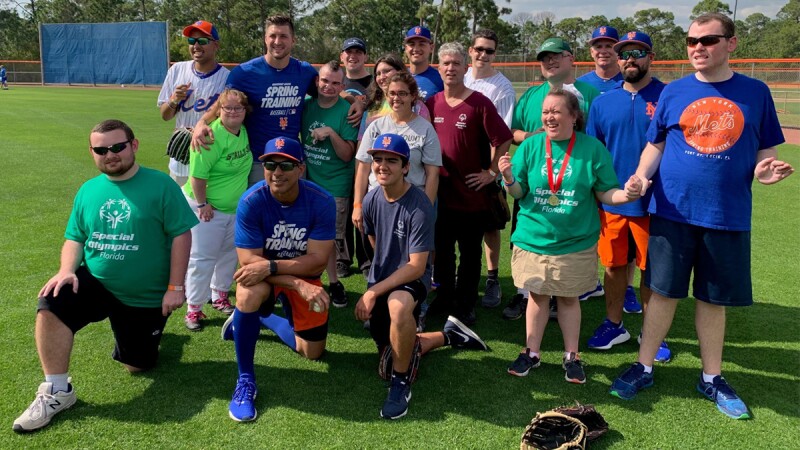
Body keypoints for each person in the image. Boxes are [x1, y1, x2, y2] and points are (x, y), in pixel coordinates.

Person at [609, 13, 793, 420]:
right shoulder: (674, 92)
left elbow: (766, 155)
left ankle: (711, 377)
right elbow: (655, 146)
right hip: (671, 212)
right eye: (692, 40)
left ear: (732, 43)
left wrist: (765, 172)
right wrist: (640, 176)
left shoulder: (756, 92)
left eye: (708, 40)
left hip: (726, 215)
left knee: (712, 300)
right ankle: (643, 366)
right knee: (661, 293)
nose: (698, 47)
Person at [12, 120, 197, 433]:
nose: (110, 154)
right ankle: (57, 391)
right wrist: (67, 270)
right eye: (101, 150)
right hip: (96, 282)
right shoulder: (89, 190)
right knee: (52, 300)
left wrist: (175, 287)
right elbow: (75, 237)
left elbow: (182, 235)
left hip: (143, 295)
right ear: (92, 152)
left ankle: (145, 337)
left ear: (133, 145)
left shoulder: (160, 185)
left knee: (137, 366)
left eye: (117, 147)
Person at [501, 90, 641, 383]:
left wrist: (626, 195)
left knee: (567, 299)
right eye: (546, 112)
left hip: (574, 241)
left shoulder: (592, 149)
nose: (549, 117)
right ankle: (531, 353)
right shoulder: (531, 146)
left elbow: (605, 192)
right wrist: (509, 179)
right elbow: (520, 193)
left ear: (574, 116)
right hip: (533, 238)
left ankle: (572, 356)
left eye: (556, 111)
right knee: (537, 297)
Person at [356, 133, 488, 420]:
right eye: (377, 159)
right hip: (382, 280)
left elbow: (417, 267)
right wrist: (379, 277)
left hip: (411, 280)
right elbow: (371, 235)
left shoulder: (419, 206)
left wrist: (373, 291)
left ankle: (401, 383)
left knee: (399, 308)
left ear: (406, 167)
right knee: (393, 348)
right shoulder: (371, 199)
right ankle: (449, 335)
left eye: (392, 161)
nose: (382, 166)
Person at [225, 137, 336, 422]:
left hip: (294, 273)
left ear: (300, 168)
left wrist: (277, 269)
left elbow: (318, 260)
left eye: (286, 165)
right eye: (270, 164)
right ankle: (245, 381)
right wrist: (295, 283)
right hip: (272, 277)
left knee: (312, 353)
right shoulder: (251, 200)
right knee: (247, 293)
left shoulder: (322, 201)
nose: (277, 172)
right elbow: (249, 262)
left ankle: (262, 320)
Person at [191, 14, 363, 187]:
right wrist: (202, 122)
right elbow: (224, 102)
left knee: (293, 212)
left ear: (293, 40)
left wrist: (352, 99)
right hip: (258, 161)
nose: (277, 41)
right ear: (265, 39)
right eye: (273, 36)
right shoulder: (245, 72)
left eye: (283, 36)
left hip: (293, 159)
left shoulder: (304, 71)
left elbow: (327, 90)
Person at [584, 31, 671, 361]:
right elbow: (595, 152)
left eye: (638, 52)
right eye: (624, 53)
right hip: (613, 200)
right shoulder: (604, 103)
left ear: (651, 56)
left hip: (656, 203)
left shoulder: (667, 95)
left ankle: (653, 332)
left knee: (653, 272)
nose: (630, 59)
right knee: (614, 266)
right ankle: (614, 323)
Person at [506, 37, 601, 321]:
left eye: (556, 55)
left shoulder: (591, 94)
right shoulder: (533, 94)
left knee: (569, 238)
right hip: (534, 179)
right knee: (528, 237)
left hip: (572, 181)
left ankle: (564, 296)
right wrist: (531, 138)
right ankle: (527, 295)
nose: (549, 61)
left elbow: (597, 135)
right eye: (544, 57)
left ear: (571, 58)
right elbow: (513, 132)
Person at [427, 42, 512, 325]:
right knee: (443, 251)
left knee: (470, 253)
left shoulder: (479, 102)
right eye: (445, 63)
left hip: (472, 196)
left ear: (466, 67)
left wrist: (491, 172)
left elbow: (504, 139)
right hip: (440, 193)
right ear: (439, 68)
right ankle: (444, 297)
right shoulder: (433, 102)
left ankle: (465, 304)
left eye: (456, 63)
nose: (451, 68)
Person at [354, 53, 431, 279]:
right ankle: (382, 285)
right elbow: (363, 164)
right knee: (383, 251)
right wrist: (358, 203)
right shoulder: (373, 116)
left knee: (413, 254)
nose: (382, 77)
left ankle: (414, 293)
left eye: (387, 71)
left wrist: (427, 204)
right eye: (377, 73)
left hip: (411, 198)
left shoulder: (421, 117)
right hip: (377, 196)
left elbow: (431, 170)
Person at [183, 88, 252, 331]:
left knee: (228, 254)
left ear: (245, 111)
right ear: (219, 111)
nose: (233, 112)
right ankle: (193, 308)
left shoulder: (242, 131)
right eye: (227, 108)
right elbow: (197, 176)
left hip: (233, 209)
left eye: (238, 108)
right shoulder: (210, 136)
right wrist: (203, 204)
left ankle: (219, 295)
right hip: (206, 207)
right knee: (202, 258)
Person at [464, 29, 516, 309]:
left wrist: (492, 172)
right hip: (458, 166)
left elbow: (503, 135)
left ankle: (493, 277)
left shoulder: (502, 87)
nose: (483, 54)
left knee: (489, 225)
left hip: (485, 167)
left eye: (489, 50)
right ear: (470, 51)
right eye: (479, 49)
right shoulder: (460, 77)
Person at [300, 61, 358, 308]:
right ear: (317, 81)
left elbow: (347, 155)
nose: (329, 86)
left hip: (335, 185)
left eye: (336, 83)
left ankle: (334, 283)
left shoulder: (347, 111)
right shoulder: (306, 107)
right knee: (303, 235)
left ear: (343, 86)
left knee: (330, 239)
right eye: (325, 81)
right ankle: (306, 280)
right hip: (307, 182)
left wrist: (331, 133)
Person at [158, 20, 229, 186]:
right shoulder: (177, 70)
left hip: (212, 156)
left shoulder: (227, 77)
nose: (196, 45)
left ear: (216, 45)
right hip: (182, 157)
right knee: (180, 208)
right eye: (192, 41)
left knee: (207, 210)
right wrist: (173, 100)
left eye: (202, 41)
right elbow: (165, 115)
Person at [339, 37, 373, 279]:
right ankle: (342, 258)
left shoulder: (374, 83)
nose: (353, 56)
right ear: (342, 57)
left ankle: (366, 258)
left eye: (358, 52)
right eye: (348, 52)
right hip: (340, 153)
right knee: (343, 209)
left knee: (363, 206)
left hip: (367, 154)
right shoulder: (335, 81)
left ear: (365, 56)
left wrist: (354, 100)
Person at [577, 26, 623, 94]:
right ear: (592, 52)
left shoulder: (631, 82)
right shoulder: (580, 84)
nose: (603, 51)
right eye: (598, 47)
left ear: (618, 51)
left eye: (608, 46)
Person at [404, 26, 444, 101]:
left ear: (431, 48)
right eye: (412, 44)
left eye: (421, 44)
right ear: (406, 48)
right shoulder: (399, 77)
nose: (416, 49)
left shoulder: (441, 79)